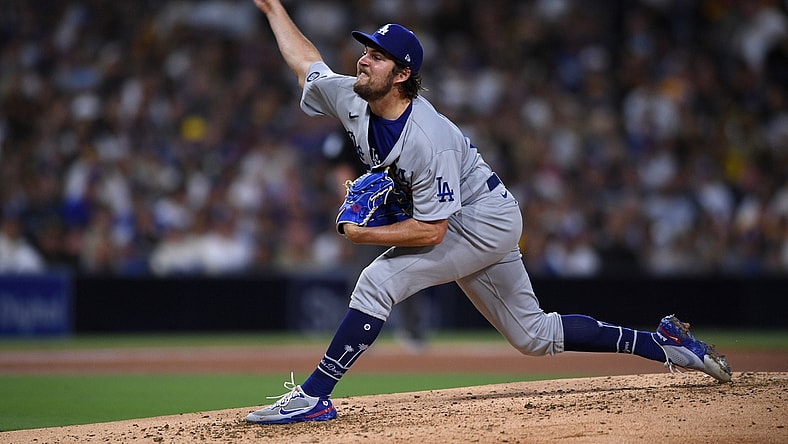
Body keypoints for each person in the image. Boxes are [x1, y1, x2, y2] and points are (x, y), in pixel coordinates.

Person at [246, 0, 732, 425]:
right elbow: (306, 62)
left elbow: (433, 232)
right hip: (475, 216)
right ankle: (663, 343)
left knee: (378, 280)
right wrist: (273, 8)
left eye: (377, 56)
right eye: (367, 51)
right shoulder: (353, 97)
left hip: (480, 221)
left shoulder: (427, 140)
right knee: (533, 336)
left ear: (402, 75)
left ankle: (314, 395)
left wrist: (360, 234)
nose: (364, 60)